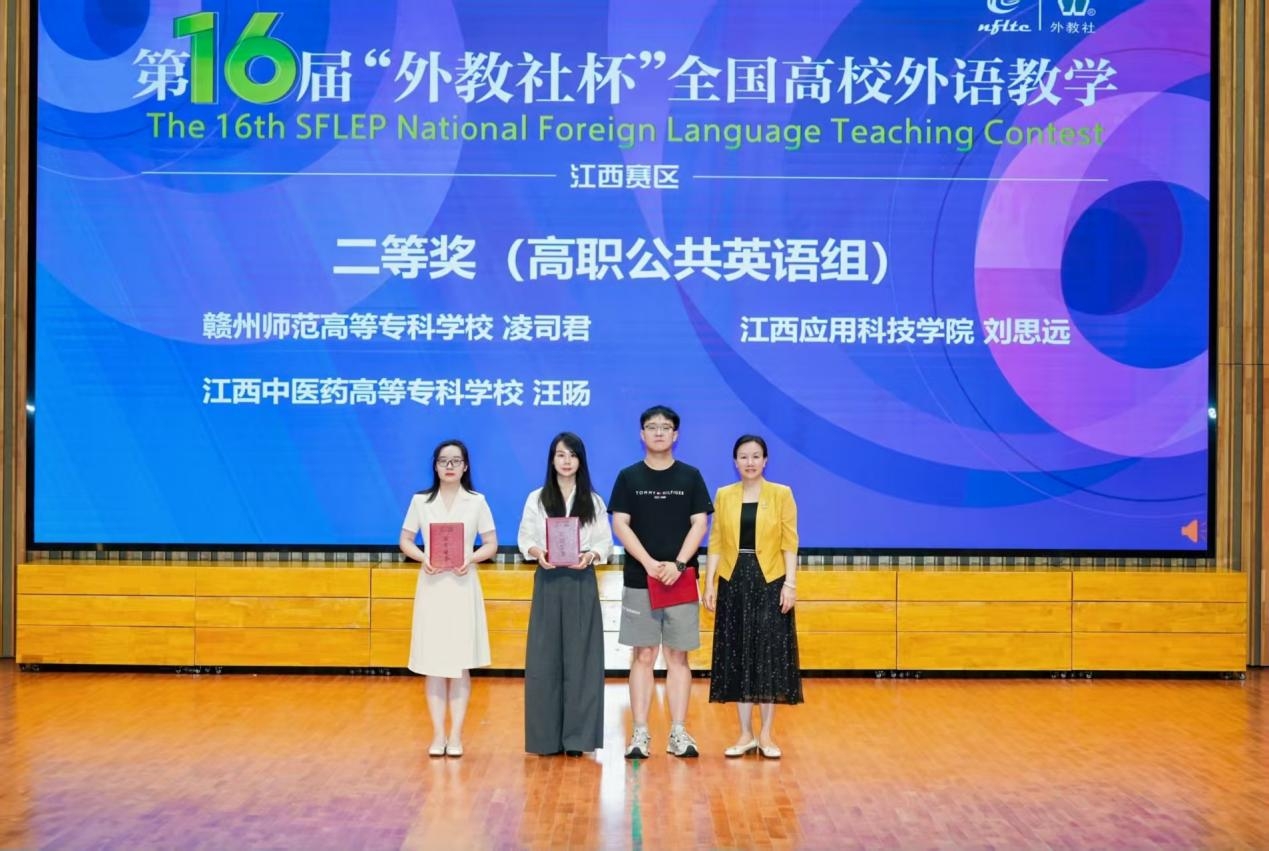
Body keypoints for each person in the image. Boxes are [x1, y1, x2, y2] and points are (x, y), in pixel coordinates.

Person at [608, 405, 713, 759]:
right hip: (641, 578)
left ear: (675, 434)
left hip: (680, 579)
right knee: (643, 655)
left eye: (665, 427)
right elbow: (620, 524)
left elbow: (700, 523)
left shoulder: (690, 476)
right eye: (651, 427)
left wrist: (678, 563)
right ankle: (640, 733)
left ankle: (678, 732)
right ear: (642, 434)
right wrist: (650, 563)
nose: (658, 432)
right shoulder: (628, 477)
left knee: (678, 656)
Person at [704, 434, 802, 759]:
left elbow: (790, 542)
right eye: (744, 456)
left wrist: (790, 584)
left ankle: (766, 735)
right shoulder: (724, 494)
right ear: (735, 462)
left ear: (765, 460)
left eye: (756, 456)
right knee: (739, 655)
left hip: (770, 580)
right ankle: (745, 734)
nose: (750, 462)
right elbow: (716, 541)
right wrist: (710, 584)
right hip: (734, 580)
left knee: (767, 657)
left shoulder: (781, 494)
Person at [398, 439, 497, 758]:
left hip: (463, 586)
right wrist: (422, 557)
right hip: (432, 587)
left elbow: (491, 544)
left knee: (460, 663)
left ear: (465, 466)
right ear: (436, 466)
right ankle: (438, 734)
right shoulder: (421, 501)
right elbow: (405, 540)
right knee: (434, 664)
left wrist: (472, 558)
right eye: (443, 461)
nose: (450, 466)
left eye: (456, 461)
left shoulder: (477, 502)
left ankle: (456, 736)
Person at [517, 432, 614, 757]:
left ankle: (578, 740)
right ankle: (545, 740)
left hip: (580, 581)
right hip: (548, 580)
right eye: (560, 455)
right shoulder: (536, 498)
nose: (566, 461)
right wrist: (537, 552)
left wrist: (591, 556)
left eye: (572, 455)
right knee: (544, 660)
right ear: (552, 460)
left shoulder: (594, 501)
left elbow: (604, 542)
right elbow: (525, 537)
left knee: (582, 661)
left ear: (581, 461)